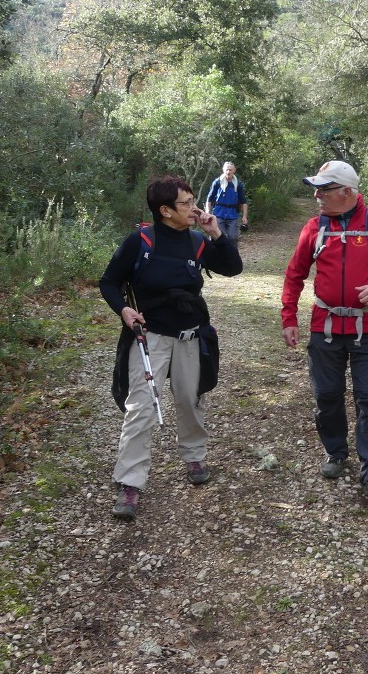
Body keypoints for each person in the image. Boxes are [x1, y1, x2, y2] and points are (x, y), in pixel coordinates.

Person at [100, 175, 243, 521]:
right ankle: (131, 482)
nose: (193, 207)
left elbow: (233, 268)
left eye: (194, 199)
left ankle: (194, 456)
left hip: (191, 335)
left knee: (190, 400)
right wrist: (124, 310)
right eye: (185, 203)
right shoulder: (141, 241)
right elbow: (109, 281)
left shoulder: (196, 241)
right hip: (149, 337)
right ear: (164, 210)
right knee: (141, 408)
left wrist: (215, 233)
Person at [281, 160, 368, 499]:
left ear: (347, 192)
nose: (316, 196)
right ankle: (336, 452)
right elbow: (294, 274)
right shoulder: (314, 228)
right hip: (324, 329)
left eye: (324, 190)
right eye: (316, 189)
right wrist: (288, 318)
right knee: (326, 396)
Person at [205, 161, 249, 249]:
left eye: (230, 170)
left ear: (234, 171)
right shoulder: (217, 183)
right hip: (218, 214)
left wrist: (244, 216)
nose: (228, 172)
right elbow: (209, 199)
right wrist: (207, 213)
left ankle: (233, 258)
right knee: (219, 237)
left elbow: (244, 201)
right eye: (226, 170)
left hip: (232, 215)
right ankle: (217, 257)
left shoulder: (238, 185)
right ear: (223, 170)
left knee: (233, 237)